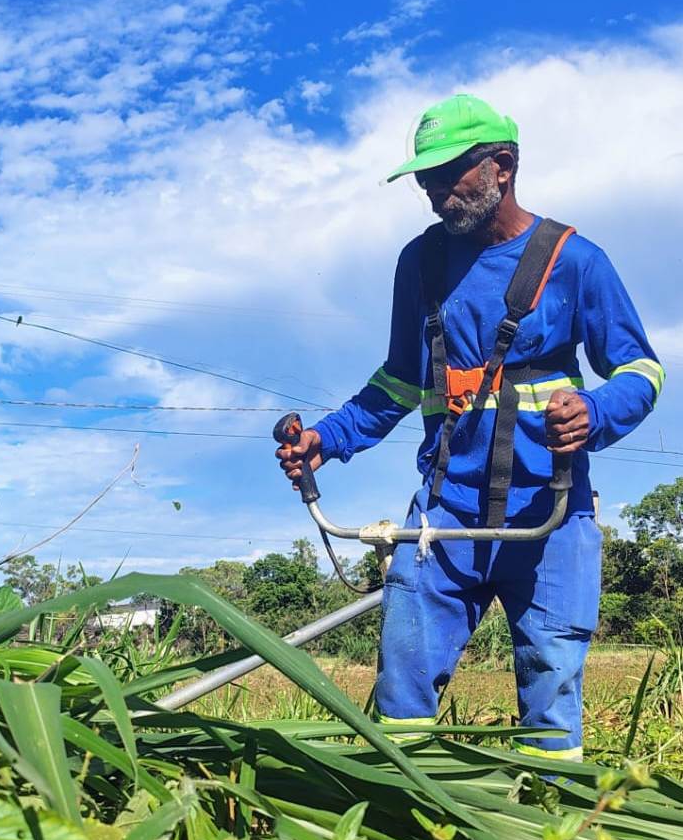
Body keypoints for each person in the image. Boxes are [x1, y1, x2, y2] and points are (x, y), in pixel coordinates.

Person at [275, 93, 663, 762]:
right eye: (423, 177)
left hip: (548, 515)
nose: (430, 191)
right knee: (400, 692)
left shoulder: (574, 261)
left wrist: (595, 412)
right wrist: (326, 439)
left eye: (446, 173)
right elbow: (397, 382)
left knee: (549, 694)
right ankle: (404, 828)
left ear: (501, 166)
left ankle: (542, 833)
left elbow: (640, 369)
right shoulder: (419, 263)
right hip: (442, 515)